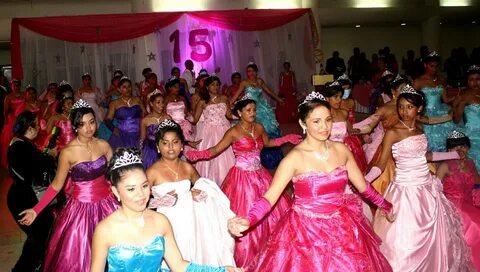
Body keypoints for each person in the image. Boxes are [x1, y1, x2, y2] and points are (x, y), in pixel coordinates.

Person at [227, 92, 394, 272]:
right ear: (302, 123)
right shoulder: (293, 159)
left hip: (343, 226)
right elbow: (269, 198)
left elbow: (363, 186)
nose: (325, 127)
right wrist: (249, 219)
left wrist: (385, 205)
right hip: (306, 231)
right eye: (316, 121)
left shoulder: (342, 150)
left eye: (328, 120)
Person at [369, 85, 473, 271]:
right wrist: (364, 181)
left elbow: (426, 156)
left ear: (419, 109)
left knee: (435, 239)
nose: (404, 111)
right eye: (401, 107)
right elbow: (381, 164)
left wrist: (453, 155)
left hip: (426, 189)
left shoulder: (419, 129)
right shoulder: (392, 132)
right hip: (404, 192)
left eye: (409, 107)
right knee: (404, 241)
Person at [185, 96, 298, 268]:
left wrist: (286, 138)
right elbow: (215, 149)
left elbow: (268, 143)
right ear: (239, 112)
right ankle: (247, 253)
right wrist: (198, 155)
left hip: (260, 174)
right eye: (248, 110)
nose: (253, 113)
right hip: (241, 178)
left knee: (273, 209)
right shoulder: (233, 132)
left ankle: (271, 249)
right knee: (243, 211)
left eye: (254, 110)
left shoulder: (259, 127)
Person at [91, 148, 238, 272]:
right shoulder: (105, 230)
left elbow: (179, 265)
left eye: (144, 186)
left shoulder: (160, 221)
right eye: (131, 189)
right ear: (116, 192)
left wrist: (221, 270)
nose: (141, 194)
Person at [18, 99, 118, 272]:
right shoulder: (67, 152)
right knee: (83, 254)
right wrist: (36, 209)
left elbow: (117, 174)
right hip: (81, 209)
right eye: (82, 124)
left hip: (108, 203)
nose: (89, 128)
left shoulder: (104, 145)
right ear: (75, 127)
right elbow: (56, 185)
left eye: (92, 122)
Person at [147, 121, 236, 268]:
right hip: (167, 224)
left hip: (192, 222)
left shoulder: (188, 168)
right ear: (157, 146)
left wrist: (200, 194)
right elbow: (139, 203)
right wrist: (160, 202)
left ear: (182, 145)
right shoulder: (152, 172)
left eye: (175, 142)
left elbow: (205, 187)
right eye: (165, 143)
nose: (170, 147)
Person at [7, 111, 56, 272]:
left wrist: (44, 155)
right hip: (23, 198)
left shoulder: (21, 142)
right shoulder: (20, 146)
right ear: (30, 127)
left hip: (24, 195)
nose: (39, 128)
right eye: (37, 124)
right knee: (37, 239)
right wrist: (50, 157)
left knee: (38, 238)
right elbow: (35, 171)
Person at [436, 131, 480, 270]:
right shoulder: (445, 166)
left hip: (470, 202)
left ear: (468, 147)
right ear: (449, 150)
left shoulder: (470, 163)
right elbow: (434, 188)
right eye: (455, 147)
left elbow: (477, 183)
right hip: (453, 206)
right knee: (475, 224)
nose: (460, 150)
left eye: (463, 146)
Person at [229, 63, 285, 169]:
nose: (249, 73)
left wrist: (279, 99)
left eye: (251, 71)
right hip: (249, 107)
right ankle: (255, 157)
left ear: (255, 71)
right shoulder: (244, 82)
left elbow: (269, 92)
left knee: (268, 130)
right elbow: (236, 95)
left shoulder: (260, 81)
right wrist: (228, 105)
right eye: (248, 71)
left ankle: (272, 158)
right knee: (253, 131)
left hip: (261, 108)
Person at [193, 76, 235, 185]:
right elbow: (195, 119)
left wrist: (240, 115)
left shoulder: (224, 98)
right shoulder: (202, 101)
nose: (215, 87)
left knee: (226, 154)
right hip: (209, 131)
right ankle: (210, 182)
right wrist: (183, 118)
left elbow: (229, 115)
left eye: (217, 84)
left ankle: (227, 181)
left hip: (224, 129)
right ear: (207, 87)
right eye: (212, 84)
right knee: (211, 156)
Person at [413, 51, 456, 152]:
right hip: (426, 113)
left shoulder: (441, 79)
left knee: (447, 139)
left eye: (436, 66)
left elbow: (445, 99)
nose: (434, 69)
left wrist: (456, 97)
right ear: (425, 65)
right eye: (431, 66)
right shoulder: (418, 81)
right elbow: (413, 100)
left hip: (441, 110)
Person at [453, 65, 480, 171]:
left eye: (478, 79)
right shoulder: (464, 96)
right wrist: (455, 105)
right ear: (467, 81)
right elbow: (456, 120)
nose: (475, 83)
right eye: (471, 80)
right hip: (472, 134)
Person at [107, 76, 144, 149]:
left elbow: (144, 114)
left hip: (138, 133)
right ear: (119, 89)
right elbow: (108, 119)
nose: (127, 89)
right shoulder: (114, 103)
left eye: (129, 86)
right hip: (122, 135)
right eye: (124, 87)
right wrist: (114, 129)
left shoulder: (137, 99)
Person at [140, 90, 170, 168]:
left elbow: (174, 135)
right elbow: (142, 139)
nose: (162, 105)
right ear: (151, 104)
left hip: (165, 148)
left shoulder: (168, 118)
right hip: (150, 151)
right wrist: (141, 154)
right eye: (158, 102)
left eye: (163, 102)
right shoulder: (145, 120)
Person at [1, 79, 25, 168]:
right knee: (10, 139)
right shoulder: (8, 97)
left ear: (20, 85)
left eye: (17, 85)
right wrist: (6, 121)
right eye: (14, 86)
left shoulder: (24, 94)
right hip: (13, 119)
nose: (16, 87)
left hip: (23, 119)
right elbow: (5, 111)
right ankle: (10, 161)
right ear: (11, 86)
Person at [165, 77, 195, 145]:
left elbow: (186, 112)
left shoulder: (182, 98)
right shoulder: (166, 99)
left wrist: (190, 118)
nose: (178, 89)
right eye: (175, 87)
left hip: (184, 125)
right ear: (169, 88)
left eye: (178, 87)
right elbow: (164, 114)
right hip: (172, 126)